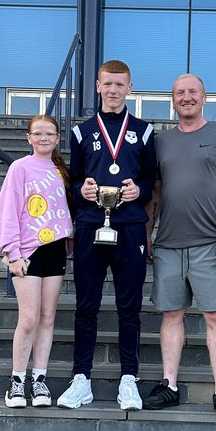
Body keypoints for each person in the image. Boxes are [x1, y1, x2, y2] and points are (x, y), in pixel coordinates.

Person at [57, 59, 156, 410]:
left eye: (120, 85)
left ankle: (129, 378)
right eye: (107, 84)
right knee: (86, 306)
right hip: (89, 226)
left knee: (130, 308)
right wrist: (80, 192)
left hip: (129, 227)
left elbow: (150, 181)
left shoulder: (144, 131)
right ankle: (81, 378)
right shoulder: (82, 132)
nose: (113, 90)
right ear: (97, 86)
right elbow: (76, 180)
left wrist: (137, 193)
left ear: (129, 88)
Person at [145, 73, 216, 416]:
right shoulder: (160, 142)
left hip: (210, 243)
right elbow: (155, 193)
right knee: (171, 314)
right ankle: (169, 384)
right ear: (173, 100)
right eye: (179, 93)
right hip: (169, 244)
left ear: (205, 98)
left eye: (192, 92)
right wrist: (147, 233)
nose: (186, 97)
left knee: (215, 315)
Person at [0, 115, 73, 408]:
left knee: (48, 317)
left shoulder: (62, 170)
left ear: (57, 138)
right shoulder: (19, 168)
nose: (43, 138)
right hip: (26, 251)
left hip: (54, 249)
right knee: (28, 319)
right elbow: (7, 211)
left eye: (49, 133)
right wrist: (12, 253)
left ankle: (39, 380)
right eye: (37, 133)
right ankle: (17, 381)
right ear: (28, 138)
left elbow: (66, 209)